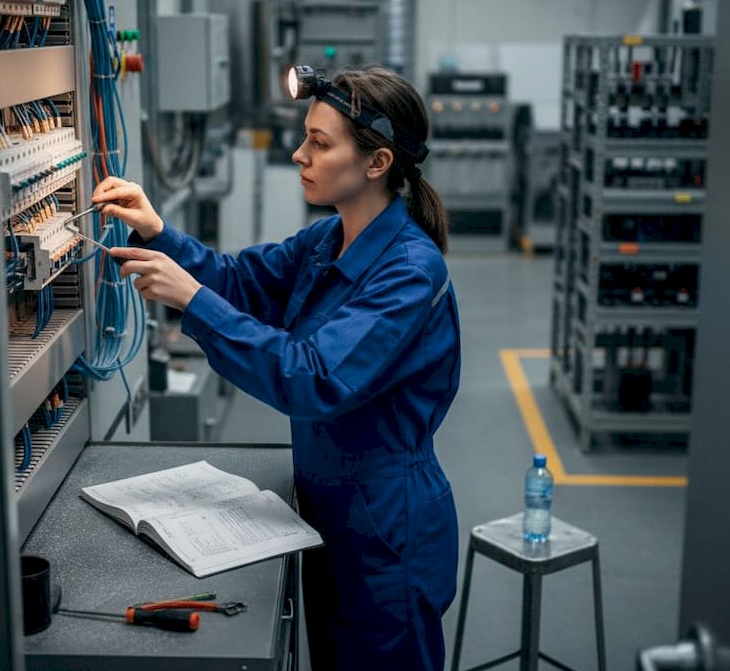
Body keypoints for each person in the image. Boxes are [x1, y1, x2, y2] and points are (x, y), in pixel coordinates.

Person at [92, 65, 460, 670]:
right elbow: (239, 281)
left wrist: (190, 297)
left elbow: (314, 378)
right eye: (305, 138)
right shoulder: (326, 240)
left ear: (377, 163)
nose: (299, 154)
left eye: (319, 143)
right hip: (328, 510)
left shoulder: (410, 271)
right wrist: (157, 231)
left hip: (387, 532)